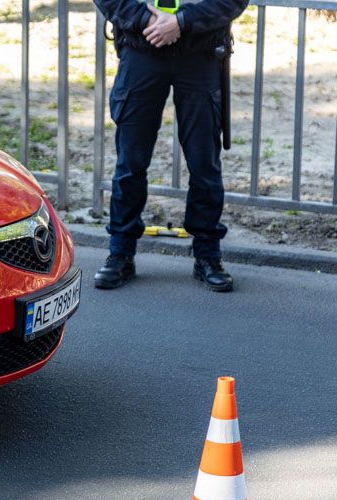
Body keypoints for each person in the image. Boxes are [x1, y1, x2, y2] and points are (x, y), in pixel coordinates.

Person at [93, 0, 248, 292]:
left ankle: (208, 255)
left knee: (204, 164)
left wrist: (182, 21)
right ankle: (121, 252)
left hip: (200, 54)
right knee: (131, 162)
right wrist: (142, 18)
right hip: (141, 50)